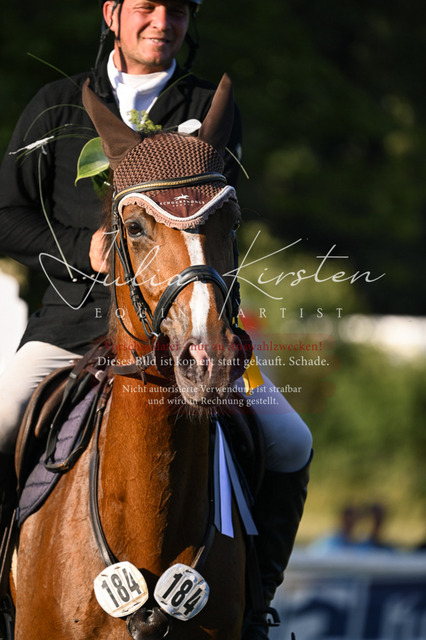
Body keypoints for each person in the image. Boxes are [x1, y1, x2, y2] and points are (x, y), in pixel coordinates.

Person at [0, 1, 312, 637]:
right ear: (112, 13)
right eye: (146, 6)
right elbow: (6, 216)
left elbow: (217, 226)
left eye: (178, 9)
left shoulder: (209, 107)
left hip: (190, 332)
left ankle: (255, 606)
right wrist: (82, 246)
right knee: (0, 420)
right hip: (69, 328)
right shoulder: (54, 107)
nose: (162, 21)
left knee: (290, 441)